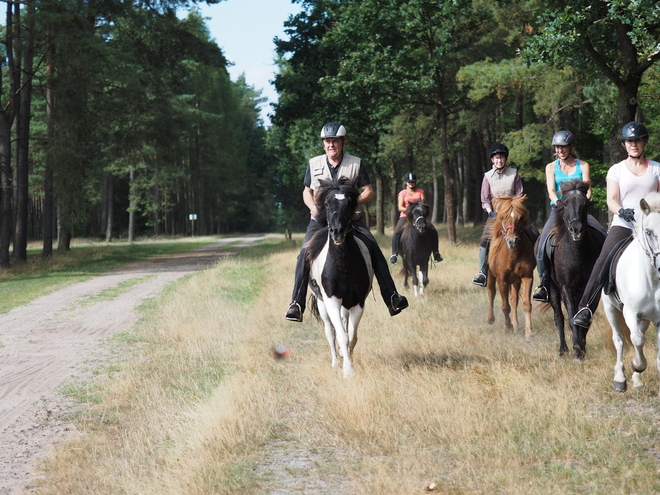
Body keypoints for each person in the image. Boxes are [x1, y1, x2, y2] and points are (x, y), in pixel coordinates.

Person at [285, 122, 409, 322]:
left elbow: (369, 190)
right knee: (304, 253)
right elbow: (307, 191)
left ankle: (392, 296)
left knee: (373, 247)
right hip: (320, 220)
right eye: (327, 141)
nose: (331, 145)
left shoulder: (356, 163)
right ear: (323, 144)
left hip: (350, 219)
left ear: (344, 141)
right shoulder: (314, 164)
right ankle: (296, 303)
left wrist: (351, 204)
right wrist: (313, 207)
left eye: (334, 141)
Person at [572, 121, 660, 329]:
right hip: (625, 224)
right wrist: (621, 211)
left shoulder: (657, 169)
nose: (633, 144)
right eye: (629, 141)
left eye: (637, 140)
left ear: (644, 142)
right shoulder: (616, 170)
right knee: (603, 260)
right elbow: (611, 199)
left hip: (651, 226)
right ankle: (585, 309)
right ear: (624, 144)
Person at [532, 130, 607, 302]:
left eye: (563, 147)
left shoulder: (583, 166)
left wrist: (584, 202)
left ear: (571, 148)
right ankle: (544, 284)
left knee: (603, 234)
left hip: (579, 210)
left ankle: (608, 277)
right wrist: (557, 202)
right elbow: (551, 190)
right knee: (543, 243)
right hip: (558, 211)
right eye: (557, 147)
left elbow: (588, 190)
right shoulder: (550, 167)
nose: (560, 150)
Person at [472, 142, 524, 286]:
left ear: (505, 159)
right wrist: (490, 212)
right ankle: (482, 273)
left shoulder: (514, 174)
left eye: (501, 157)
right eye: (496, 158)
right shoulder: (487, 176)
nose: (499, 160)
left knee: (532, 234)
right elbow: (485, 199)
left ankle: (537, 272)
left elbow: (519, 194)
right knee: (484, 241)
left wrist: (515, 209)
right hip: (495, 215)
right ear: (492, 160)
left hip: (512, 214)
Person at [389, 172, 443, 264]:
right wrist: (411, 210)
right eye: (409, 182)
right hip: (405, 216)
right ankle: (394, 254)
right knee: (397, 232)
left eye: (413, 182)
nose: (411, 183)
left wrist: (420, 211)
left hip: (419, 216)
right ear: (406, 182)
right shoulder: (402, 193)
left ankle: (436, 252)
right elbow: (400, 207)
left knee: (432, 229)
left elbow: (424, 204)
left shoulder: (420, 192)